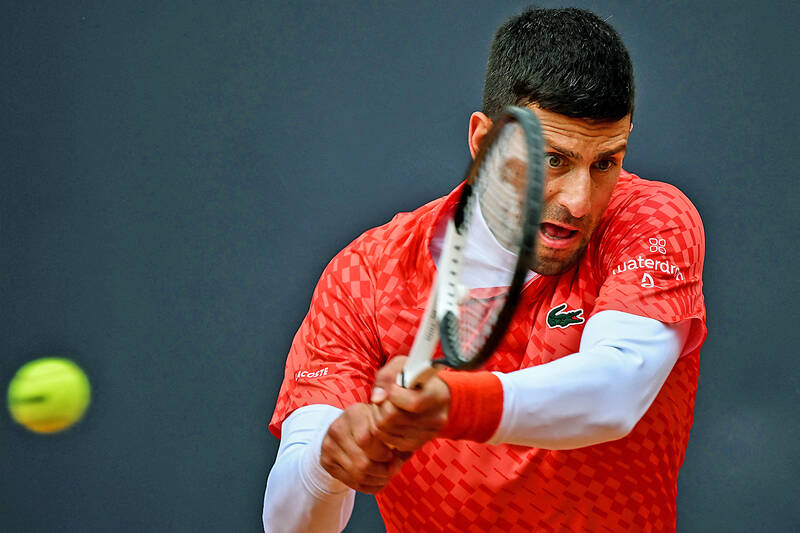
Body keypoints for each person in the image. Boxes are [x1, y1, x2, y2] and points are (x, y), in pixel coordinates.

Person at [263, 7, 706, 533]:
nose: (580, 200)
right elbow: (289, 525)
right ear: (483, 142)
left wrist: (450, 404)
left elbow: (615, 393)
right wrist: (327, 467)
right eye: (554, 160)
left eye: (605, 162)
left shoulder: (651, 220)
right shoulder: (365, 276)